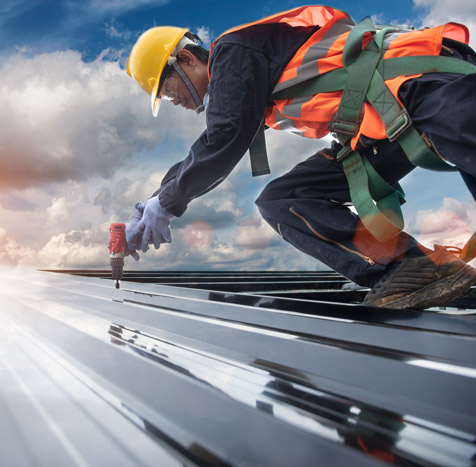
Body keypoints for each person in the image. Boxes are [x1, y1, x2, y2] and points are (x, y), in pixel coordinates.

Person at [124, 5, 476, 310]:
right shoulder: (248, 77)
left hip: (422, 83)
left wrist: (167, 203)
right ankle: (411, 267)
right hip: (382, 121)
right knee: (282, 200)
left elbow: (224, 137)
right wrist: (155, 199)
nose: (178, 104)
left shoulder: (230, 54)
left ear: (186, 59)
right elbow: (211, 142)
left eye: (170, 92)